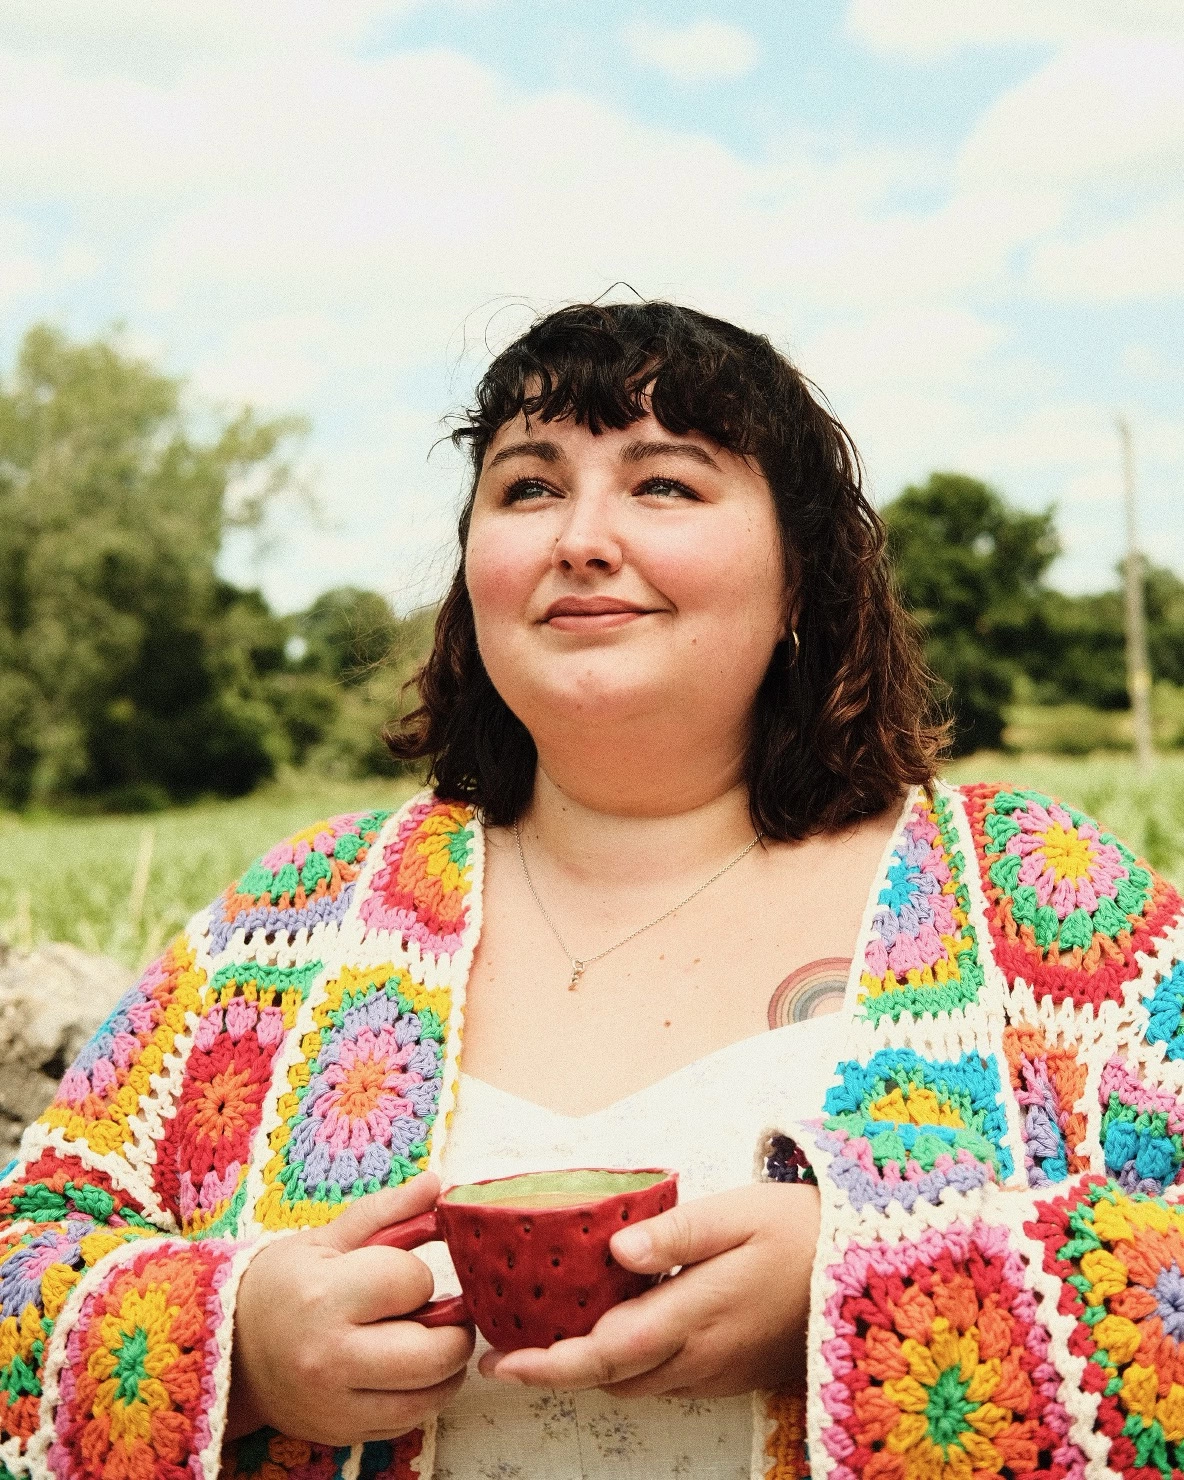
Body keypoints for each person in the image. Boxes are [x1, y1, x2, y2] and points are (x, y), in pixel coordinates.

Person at [1, 302, 1176, 1480]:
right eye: (526, 487)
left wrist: (869, 1290)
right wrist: (241, 1345)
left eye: (663, 484)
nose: (581, 538)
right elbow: (29, 1249)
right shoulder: (289, 924)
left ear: (802, 578)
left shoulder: (1034, 900)